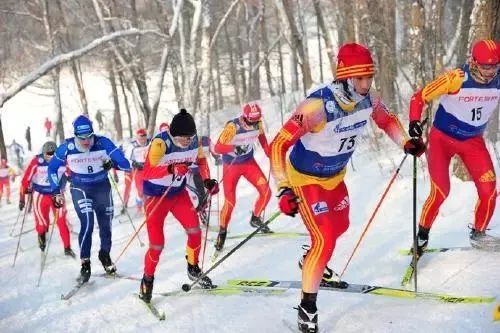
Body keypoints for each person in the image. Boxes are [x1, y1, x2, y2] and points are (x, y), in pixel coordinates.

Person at [269, 43, 425, 332]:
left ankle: (309, 260)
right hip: (305, 179)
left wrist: (406, 142)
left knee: (340, 226)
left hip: (335, 177)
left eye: (369, 77)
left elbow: (386, 120)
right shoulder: (316, 107)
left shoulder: (370, 99)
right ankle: (307, 309)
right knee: (325, 240)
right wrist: (283, 188)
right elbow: (278, 144)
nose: (366, 84)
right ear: (344, 77)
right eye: (360, 78)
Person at [408, 39, 499, 253]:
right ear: (474, 62)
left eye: (495, 66)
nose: (490, 72)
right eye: (486, 67)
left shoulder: (498, 79)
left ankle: (479, 234)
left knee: (489, 191)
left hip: (473, 141)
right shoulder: (456, 78)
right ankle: (422, 236)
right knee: (441, 191)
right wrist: (413, 122)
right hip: (442, 140)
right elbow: (418, 97)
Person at [138, 109, 219, 303]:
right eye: (183, 137)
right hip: (156, 197)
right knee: (157, 245)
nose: (187, 141)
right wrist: (171, 168)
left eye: (190, 137)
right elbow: (148, 172)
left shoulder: (194, 141)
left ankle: (193, 268)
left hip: (177, 194)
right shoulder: (160, 143)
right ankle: (147, 280)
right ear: (174, 134)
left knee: (195, 230)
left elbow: (200, 160)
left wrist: (207, 180)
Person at [48, 115, 130, 283]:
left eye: (89, 137)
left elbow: (125, 164)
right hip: (80, 188)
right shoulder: (67, 147)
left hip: (102, 186)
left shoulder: (103, 142)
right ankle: (85, 263)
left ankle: (104, 255)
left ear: (93, 133)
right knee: (87, 223)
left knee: (106, 223)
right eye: (82, 138)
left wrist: (112, 163)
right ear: (76, 135)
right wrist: (56, 191)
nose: (86, 141)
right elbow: (52, 169)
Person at [213, 103, 272, 252]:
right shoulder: (233, 127)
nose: (253, 124)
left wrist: (270, 152)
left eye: (256, 120)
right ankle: (222, 231)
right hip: (231, 166)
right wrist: (233, 148)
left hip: (248, 163)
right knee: (230, 201)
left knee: (266, 192)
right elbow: (217, 148)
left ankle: (255, 218)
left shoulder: (257, 123)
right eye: (251, 121)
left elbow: (263, 140)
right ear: (245, 118)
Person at [19, 141, 74, 257]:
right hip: (40, 195)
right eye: (48, 154)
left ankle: (67, 248)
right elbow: (25, 180)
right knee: (41, 222)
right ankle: (42, 236)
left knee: (61, 221)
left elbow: (72, 174)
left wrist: (74, 180)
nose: (51, 157)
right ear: (43, 153)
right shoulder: (37, 162)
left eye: (54, 154)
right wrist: (22, 198)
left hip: (56, 194)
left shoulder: (63, 161)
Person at [186, 135, 221, 224]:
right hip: (190, 172)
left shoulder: (205, 140)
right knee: (194, 193)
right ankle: (197, 211)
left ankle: (202, 209)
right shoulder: (184, 143)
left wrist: (217, 157)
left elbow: (215, 150)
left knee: (205, 191)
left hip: (203, 170)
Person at [122, 128, 150, 214]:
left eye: (144, 137)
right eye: (140, 138)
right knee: (140, 190)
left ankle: (148, 207)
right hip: (138, 169)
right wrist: (134, 163)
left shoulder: (150, 143)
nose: (142, 140)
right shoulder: (132, 146)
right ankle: (138, 207)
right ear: (137, 138)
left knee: (149, 189)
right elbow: (126, 159)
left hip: (148, 168)